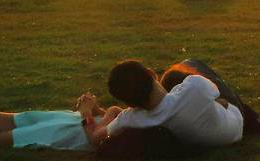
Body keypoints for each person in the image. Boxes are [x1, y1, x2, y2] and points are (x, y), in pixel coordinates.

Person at [88, 60, 243, 148]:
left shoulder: (130, 119)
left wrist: (93, 112)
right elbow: (221, 102)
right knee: (187, 65)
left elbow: (95, 138)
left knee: (171, 79)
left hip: (212, 140)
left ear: (129, 103)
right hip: (235, 123)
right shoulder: (194, 86)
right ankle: (256, 120)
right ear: (151, 73)